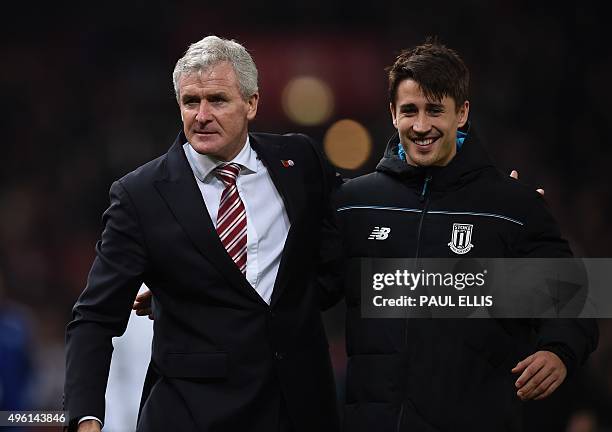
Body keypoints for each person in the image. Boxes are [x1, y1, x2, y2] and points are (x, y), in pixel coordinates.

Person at [64, 36, 340, 432]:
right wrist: (84, 418)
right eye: (191, 101)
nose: (202, 115)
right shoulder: (139, 195)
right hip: (193, 415)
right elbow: (94, 316)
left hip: (297, 409)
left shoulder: (299, 161)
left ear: (252, 103)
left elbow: (342, 241)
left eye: (218, 99)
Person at [332, 40, 598, 431]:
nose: (421, 126)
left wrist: (558, 351)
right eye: (410, 111)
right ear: (393, 114)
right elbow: (307, 287)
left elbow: (575, 298)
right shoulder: (354, 203)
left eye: (435, 110)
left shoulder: (511, 207)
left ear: (462, 113)